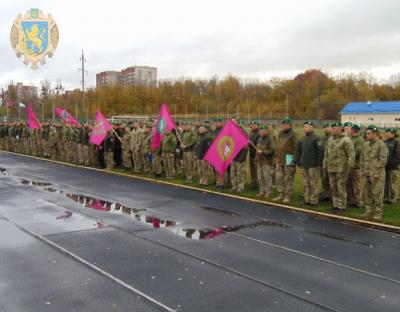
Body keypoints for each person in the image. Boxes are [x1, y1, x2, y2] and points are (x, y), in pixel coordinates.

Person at [323, 122, 355, 211]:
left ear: (339, 128)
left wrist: (349, 167)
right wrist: (325, 164)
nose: (332, 130)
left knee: (341, 187)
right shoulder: (330, 139)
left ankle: (342, 205)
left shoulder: (346, 140)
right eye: (331, 128)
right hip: (331, 167)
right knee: (333, 187)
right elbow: (326, 153)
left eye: (334, 128)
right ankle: (335, 204)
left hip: (341, 168)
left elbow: (351, 155)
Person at [295, 121, 323, 206]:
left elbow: (320, 152)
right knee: (305, 183)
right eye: (304, 126)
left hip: (313, 165)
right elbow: (298, 151)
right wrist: (298, 161)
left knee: (313, 183)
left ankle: (313, 200)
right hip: (304, 164)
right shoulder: (302, 139)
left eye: (306, 126)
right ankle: (306, 199)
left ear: (312, 127)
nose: (305, 128)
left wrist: (319, 164)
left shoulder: (317, 138)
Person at [364, 125, 388, 221]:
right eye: (366, 133)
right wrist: (363, 170)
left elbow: (383, 160)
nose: (367, 135)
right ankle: (368, 211)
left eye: (369, 133)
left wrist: (377, 172)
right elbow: (364, 158)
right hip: (367, 172)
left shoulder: (381, 144)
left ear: (375, 134)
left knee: (377, 193)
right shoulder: (366, 144)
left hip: (377, 173)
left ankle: (378, 213)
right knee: (367, 193)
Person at [273, 116, 297, 204]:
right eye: (283, 124)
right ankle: (281, 194)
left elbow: (295, 148)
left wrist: (294, 160)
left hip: (289, 158)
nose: (283, 126)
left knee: (288, 178)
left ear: (290, 125)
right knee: (279, 177)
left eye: (285, 124)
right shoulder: (280, 133)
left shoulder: (293, 134)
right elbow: (277, 145)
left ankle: (287, 195)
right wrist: (276, 156)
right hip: (280, 158)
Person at [347, 124, 365, 208]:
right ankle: (352, 200)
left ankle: (359, 202)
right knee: (349, 184)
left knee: (357, 185)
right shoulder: (350, 139)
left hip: (357, 166)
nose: (348, 130)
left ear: (353, 130)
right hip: (350, 166)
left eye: (349, 129)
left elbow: (357, 153)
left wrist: (347, 155)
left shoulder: (359, 140)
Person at [256, 125, 274, 198]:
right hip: (259, 161)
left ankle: (268, 192)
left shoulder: (270, 139)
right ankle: (261, 191)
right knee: (260, 178)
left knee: (267, 178)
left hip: (266, 162)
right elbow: (257, 149)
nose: (262, 132)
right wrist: (256, 159)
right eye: (261, 131)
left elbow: (272, 151)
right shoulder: (259, 139)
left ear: (267, 132)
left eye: (264, 131)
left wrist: (263, 152)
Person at [384, 128, 400, 204]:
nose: (387, 134)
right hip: (385, 166)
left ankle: (394, 198)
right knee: (386, 183)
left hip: (393, 167)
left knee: (393, 183)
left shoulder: (396, 142)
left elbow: (398, 155)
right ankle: (387, 197)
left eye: (389, 133)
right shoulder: (385, 142)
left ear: (393, 134)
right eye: (386, 133)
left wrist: (393, 163)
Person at [320, 122, 332, 201]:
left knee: (332, 180)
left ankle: (331, 194)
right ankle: (325, 193)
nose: (326, 129)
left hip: (332, 163)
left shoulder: (333, 138)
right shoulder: (321, 139)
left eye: (328, 127)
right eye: (325, 127)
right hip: (322, 162)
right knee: (324, 179)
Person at [248, 120, 260, 189]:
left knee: (257, 170)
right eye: (251, 125)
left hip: (257, 154)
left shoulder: (259, 133)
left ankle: (258, 184)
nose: (252, 126)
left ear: (257, 125)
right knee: (252, 169)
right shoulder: (251, 132)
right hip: (251, 154)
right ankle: (253, 183)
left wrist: (256, 156)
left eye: (253, 125)